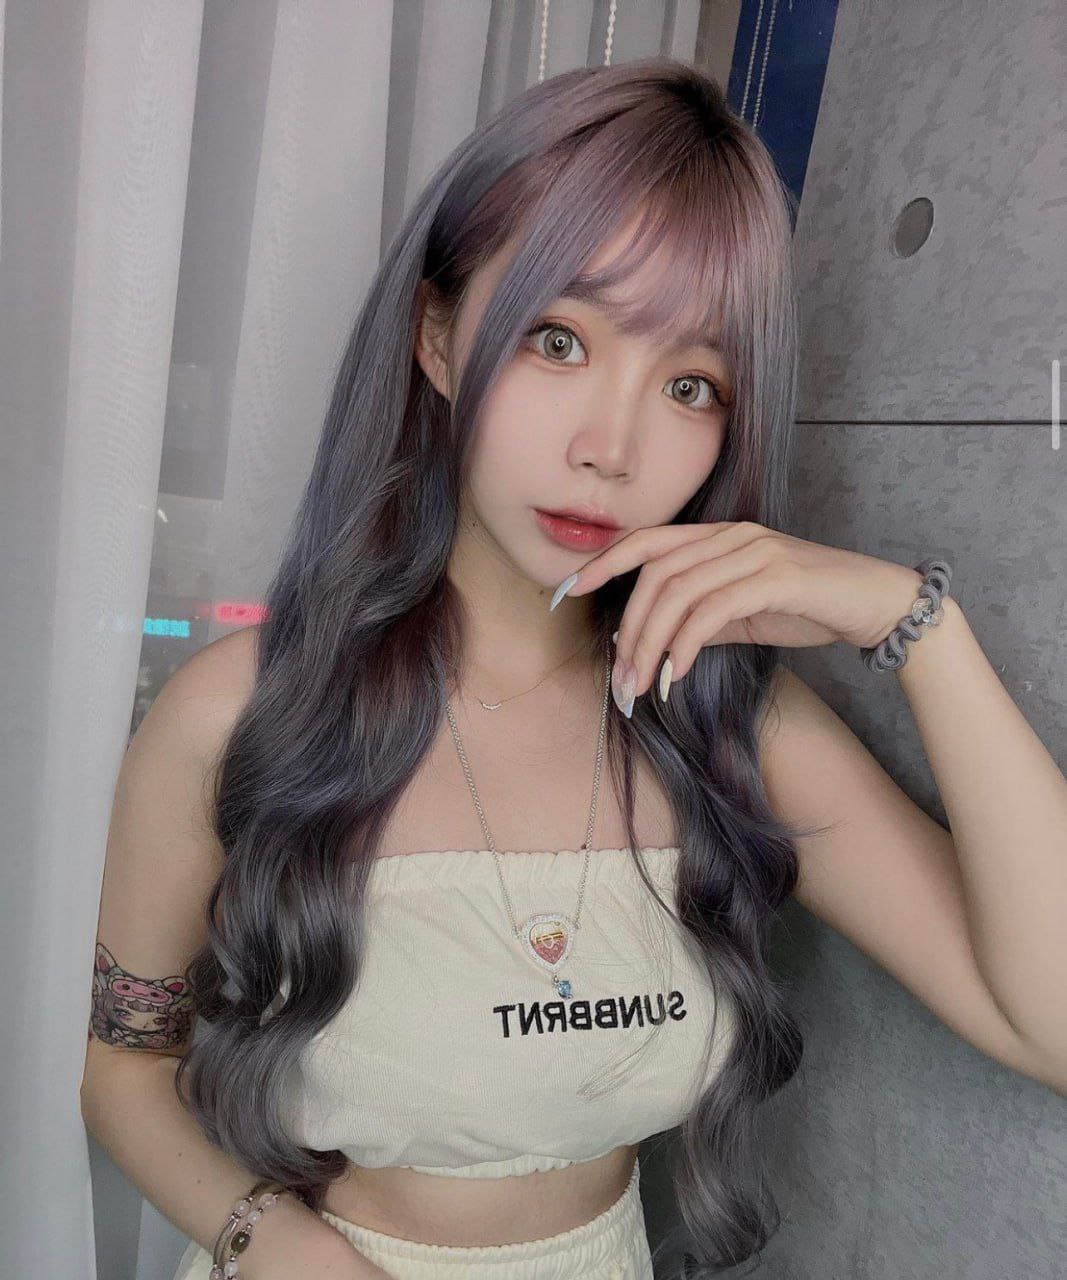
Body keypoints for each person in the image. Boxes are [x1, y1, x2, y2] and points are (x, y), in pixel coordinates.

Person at [80, 55, 1067, 1280]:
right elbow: (124, 1067)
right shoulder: (241, 712)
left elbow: (1052, 1024)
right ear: (437, 336)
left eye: (690, 383)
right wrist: (271, 1242)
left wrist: (914, 621)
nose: (613, 446)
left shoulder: (725, 720)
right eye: (557, 340)